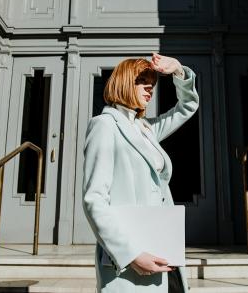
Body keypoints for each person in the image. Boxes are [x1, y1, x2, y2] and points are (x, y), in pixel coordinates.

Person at [82, 53, 199, 292]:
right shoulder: (105, 125)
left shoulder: (145, 128)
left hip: (163, 249)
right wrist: (130, 254)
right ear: (124, 82)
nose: (150, 87)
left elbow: (187, 107)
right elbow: (94, 200)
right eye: (142, 80)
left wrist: (178, 70)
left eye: (153, 82)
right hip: (129, 260)